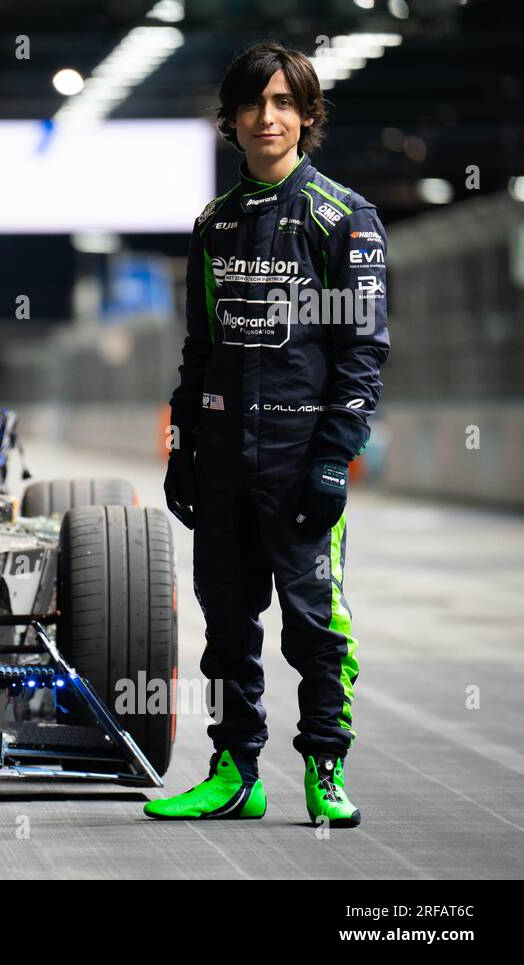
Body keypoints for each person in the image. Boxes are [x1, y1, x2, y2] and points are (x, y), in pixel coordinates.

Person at [148, 42, 390, 826]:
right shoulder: (213, 225)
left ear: (308, 116)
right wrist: (184, 445)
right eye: (254, 103)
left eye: (285, 102)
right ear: (232, 119)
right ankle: (235, 773)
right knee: (225, 622)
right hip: (221, 461)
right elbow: (199, 349)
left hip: (298, 461)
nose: (268, 117)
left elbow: (363, 351)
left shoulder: (342, 217)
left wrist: (333, 457)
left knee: (318, 626)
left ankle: (326, 767)